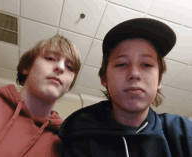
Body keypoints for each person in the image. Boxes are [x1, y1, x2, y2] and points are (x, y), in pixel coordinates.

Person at [58, 18, 192, 157]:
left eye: (146, 64)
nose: (134, 74)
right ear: (104, 78)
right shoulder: (78, 135)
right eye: (121, 64)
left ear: (159, 80)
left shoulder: (183, 132)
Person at [0, 34, 81, 157]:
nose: (61, 68)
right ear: (27, 67)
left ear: (69, 86)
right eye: (50, 58)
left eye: (70, 67)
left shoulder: (65, 146)